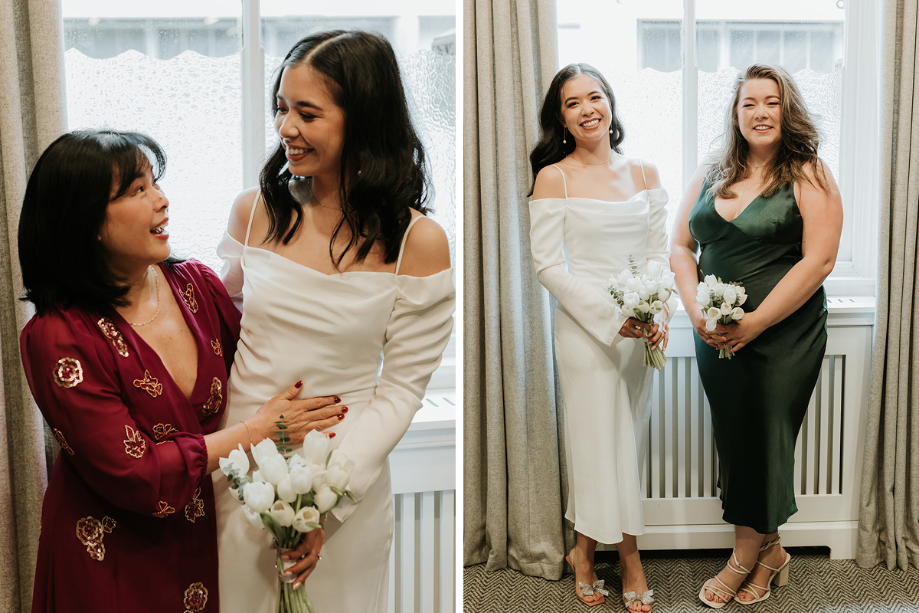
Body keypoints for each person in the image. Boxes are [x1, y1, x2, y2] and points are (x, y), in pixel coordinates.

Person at [17, 130, 345, 612]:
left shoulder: (196, 284)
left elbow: (258, 385)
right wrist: (258, 430)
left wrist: (300, 509)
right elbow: (139, 474)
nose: (162, 200)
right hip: (111, 560)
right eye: (137, 190)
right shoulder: (58, 338)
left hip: (209, 537)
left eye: (156, 183)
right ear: (87, 222)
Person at [213, 30, 455, 612]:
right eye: (281, 108)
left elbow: (399, 391)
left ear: (363, 120)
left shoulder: (418, 242)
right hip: (240, 464)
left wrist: (325, 501)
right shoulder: (255, 212)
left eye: (307, 113)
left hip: (342, 471)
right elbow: (218, 331)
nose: (285, 128)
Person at [669, 63, 843, 608]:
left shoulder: (808, 172)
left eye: (771, 101)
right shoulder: (710, 173)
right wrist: (698, 311)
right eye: (750, 103)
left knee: (766, 435)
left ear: (787, 110)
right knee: (738, 437)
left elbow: (820, 260)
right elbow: (680, 247)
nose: (760, 112)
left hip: (783, 334)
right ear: (736, 113)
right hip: (716, 333)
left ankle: (744, 556)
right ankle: (772, 553)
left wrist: (755, 323)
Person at [528, 63, 673, 612]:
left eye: (596, 97)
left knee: (624, 443)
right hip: (587, 329)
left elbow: (659, 253)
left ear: (610, 104)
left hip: (643, 329)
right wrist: (613, 318)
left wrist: (657, 308)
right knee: (595, 444)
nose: (588, 109)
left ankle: (583, 549)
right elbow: (548, 266)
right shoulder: (554, 177)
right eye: (573, 103)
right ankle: (630, 560)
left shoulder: (644, 171)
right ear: (561, 118)